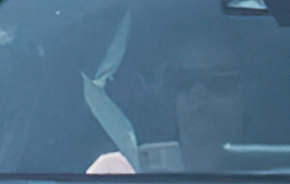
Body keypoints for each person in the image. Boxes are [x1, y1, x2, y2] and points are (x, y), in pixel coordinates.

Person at [87, 34, 246, 174]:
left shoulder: (267, 181)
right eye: (184, 82)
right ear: (169, 95)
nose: (198, 94)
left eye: (218, 83)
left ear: (246, 95)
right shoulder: (124, 175)